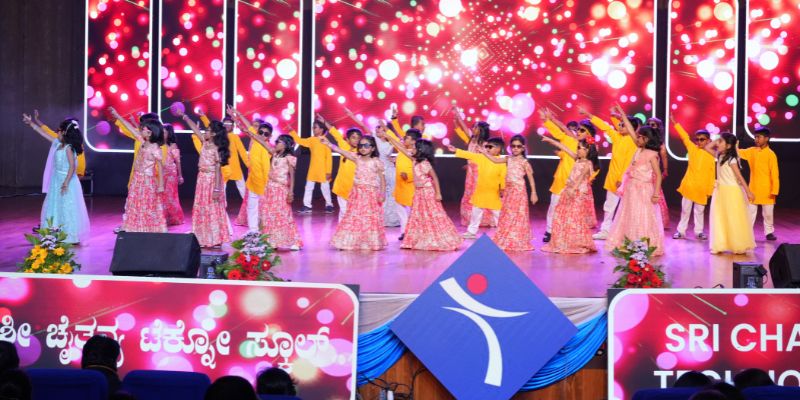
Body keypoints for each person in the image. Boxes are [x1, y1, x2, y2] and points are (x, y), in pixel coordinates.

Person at [379, 131, 462, 251]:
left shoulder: (425, 163)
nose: (412, 149)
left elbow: (435, 177)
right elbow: (401, 147)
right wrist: (389, 138)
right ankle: (420, 238)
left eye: (415, 148)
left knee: (432, 215)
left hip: (427, 192)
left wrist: (438, 193)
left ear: (421, 150)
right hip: (418, 193)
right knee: (418, 216)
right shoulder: (414, 160)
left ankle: (439, 237)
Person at [22, 116, 90, 243]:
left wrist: (66, 182)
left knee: (67, 206)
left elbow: (72, 167)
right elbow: (43, 134)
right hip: (56, 180)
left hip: (66, 181)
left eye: (58, 130)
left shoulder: (69, 148)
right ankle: (55, 232)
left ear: (64, 132)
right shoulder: (58, 144)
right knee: (55, 205)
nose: (56, 132)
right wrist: (31, 123)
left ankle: (70, 235)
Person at [605, 118, 665, 256]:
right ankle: (628, 242)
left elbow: (658, 175)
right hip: (631, 189)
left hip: (644, 190)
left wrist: (656, 194)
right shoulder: (638, 150)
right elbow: (632, 132)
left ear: (646, 139)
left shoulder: (652, 155)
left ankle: (642, 243)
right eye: (637, 137)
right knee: (629, 215)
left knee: (642, 215)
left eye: (640, 137)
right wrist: (622, 115)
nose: (636, 139)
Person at [581, 105, 638, 240]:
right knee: (609, 206)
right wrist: (589, 115)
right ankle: (605, 231)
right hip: (613, 179)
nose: (620, 126)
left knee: (627, 208)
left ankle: (628, 233)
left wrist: (622, 179)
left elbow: (629, 164)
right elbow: (605, 127)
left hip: (627, 180)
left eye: (623, 125)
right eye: (620, 124)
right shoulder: (617, 137)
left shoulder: (634, 141)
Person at [321, 134, 387, 250]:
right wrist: (329, 144)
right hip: (357, 194)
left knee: (368, 218)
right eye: (361, 145)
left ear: (373, 148)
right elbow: (342, 151)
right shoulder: (357, 158)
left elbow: (382, 180)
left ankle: (368, 242)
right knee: (354, 217)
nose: (363, 148)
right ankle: (350, 241)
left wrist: (382, 194)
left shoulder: (376, 162)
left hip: (371, 195)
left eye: (366, 145)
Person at [109, 107, 167, 233]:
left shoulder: (156, 149)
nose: (140, 130)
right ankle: (133, 227)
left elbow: (160, 167)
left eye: (143, 129)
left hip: (148, 181)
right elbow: (129, 128)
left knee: (146, 204)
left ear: (150, 133)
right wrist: (118, 115)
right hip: (137, 179)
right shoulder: (141, 141)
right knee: (134, 203)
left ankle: (146, 228)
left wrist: (161, 185)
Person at [539, 108, 593, 242]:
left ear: (589, 134)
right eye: (578, 130)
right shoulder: (569, 140)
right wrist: (547, 120)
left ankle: (567, 233)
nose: (578, 132)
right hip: (562, 179)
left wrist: (589, 178)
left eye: (582, 130)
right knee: (554, 206)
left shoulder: (591, 149)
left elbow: (593, 167)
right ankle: (550, 231)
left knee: (572, 210)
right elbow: (560, 131)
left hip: (577, 184)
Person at [476, 135, 538, 250]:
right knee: (508, 214)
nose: (515, 148)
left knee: (518, 215)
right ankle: (508, 236)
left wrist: (533, 193)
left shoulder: (524, 162)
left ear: (523, 148)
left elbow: (531, 178)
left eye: (518, 146)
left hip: (519, 191)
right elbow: (495, 160)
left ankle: (517, 238)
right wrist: (484, 152)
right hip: (509, 191)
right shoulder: (508, 159)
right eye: (513, 146)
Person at [540, 135, 599, 254]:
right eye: (578, 147)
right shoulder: (577, 159)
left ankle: (575, 242)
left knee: (575, 217)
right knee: (563, 215)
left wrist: (573, 189)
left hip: (577, 193)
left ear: (588, 150)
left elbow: (581, 177)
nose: (578, 150)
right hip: (568, 190)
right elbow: (564, 148)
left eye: (581, 148)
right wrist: (550, 140)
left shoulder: (588, 163)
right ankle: (565, 241)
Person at [246, 129, 303, 251]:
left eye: (279, 142)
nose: (276, 143)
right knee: (269, 215)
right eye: (276, 141)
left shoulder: (289, 158)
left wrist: (291, 192)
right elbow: (262, 142)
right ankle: (272, 241)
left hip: (281, 190)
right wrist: (250, 133)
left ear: (286, 145)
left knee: (283, 215)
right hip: (270, 188)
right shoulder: (274, 153)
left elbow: (292, 177)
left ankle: (295, 241)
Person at [343, 108, 401, 227]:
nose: (377, 129)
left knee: (392, 195)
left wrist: (396, 159)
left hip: (390, 171)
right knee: (379, 195)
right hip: (378, 170)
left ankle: (393, 219)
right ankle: (380, 219)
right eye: (377, 128)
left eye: (380, 127)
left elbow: (402, 147)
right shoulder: (374, 140)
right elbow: (363, 125)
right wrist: (351, 115)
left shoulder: (392, 141)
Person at [447, 137, 507, 239]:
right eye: (486, 146)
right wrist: (456, 150)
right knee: (476, 213)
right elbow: (470, 155)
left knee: (497, 213)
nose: (487, 149)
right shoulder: (482, 157)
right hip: (480, 191)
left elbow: (503, 176)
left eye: (490, 147)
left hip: (493, 193)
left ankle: (503, 233)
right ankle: (471, 232)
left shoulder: (501, 161)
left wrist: (502, 188)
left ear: (498, 148)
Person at [707, 133, 756, 254]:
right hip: (721, 192)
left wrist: (748, 192)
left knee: (733, 218)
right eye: (718, 141)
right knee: (720, 218)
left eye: (721, 142)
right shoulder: (720, 156)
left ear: (728, 145)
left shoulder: (731, 159)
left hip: (732, 192)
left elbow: (740, 177)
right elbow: (707, 147)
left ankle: (738, 244)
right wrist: (718, 140)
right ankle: (720, 245)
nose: (717, 143)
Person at [671, 116, 715, 240]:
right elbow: (684, 137)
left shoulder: (712, 155)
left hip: (702, 189)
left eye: (702, 139)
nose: (699, 142)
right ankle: (681, 231)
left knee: (699, 212)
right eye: (697, 139)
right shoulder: (692, 149)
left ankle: (699, 232)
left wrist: (710, 190)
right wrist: (675, 123)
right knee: (685, 211)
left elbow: (712, 174)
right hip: (689, 186)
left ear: (709, 141)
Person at [452, 109, 495, 227]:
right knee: (469, 195)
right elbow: (464, 127)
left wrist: (474, 165)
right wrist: (458, 115)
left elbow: (486, 159)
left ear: (481, 131)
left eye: (475, 127)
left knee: (479, 195)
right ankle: (470, 219)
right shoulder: (472, 139)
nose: (473, 129)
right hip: (471, 174)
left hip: (480, 173)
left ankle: (484, 219)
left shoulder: (485, 144)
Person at [738, 127, 780, 241]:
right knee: (750, 212)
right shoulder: (752, 151)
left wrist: (774, 190)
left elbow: (774, 174)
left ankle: (769, 232)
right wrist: (735, 144)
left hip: (767, 190)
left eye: (758, 137)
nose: (756, 139)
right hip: (753, 189)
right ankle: (747, 232)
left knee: (768, 214)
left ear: (766, 138)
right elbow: (739, 152)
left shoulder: (771, 154)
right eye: (755, 137)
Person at [319, 115, 361, 221]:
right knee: (344, 212)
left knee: (355, 213)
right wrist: (324, 122)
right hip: (342, 186)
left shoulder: (362, 151)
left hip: (356, 188)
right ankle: (342, 230)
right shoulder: (344, 146)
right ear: (347, 139)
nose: (356, 140)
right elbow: (335, 132)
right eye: (353, 137)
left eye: (358, 138)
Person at [384, 120, 421, 240]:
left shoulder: (416, 153)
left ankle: (413, 232)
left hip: (410, 187)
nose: (404, 139)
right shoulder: (402, 149)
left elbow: (418, 169)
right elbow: (394, 140)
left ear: (414, 141)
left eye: (407, 138)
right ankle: (405, 232)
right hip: (400, 186)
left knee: (411, 211)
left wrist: (408, 176)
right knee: (400, 210)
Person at [291, 120, 334, 214]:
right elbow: (300, 141)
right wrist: (292, 132)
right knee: (308, 187)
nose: (313, 129)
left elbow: (329, 157)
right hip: (313, 169)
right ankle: (307, 205)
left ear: (321, 129)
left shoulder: (325, 141)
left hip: (323, 169)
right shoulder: (311, 140)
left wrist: (328, 171)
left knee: (325, 188)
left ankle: (329, 205)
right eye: (313, 127)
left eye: (315, 127)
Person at [162, 123, 185, 226]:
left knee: (170, 195)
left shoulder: (173, 145)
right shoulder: (158, 144)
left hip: (171, 173)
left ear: (169, 133)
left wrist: (180, 176)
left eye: (164, 132)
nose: (162, 134)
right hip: (161, 173)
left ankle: (173, 217)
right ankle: (162, 217)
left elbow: (178, 161)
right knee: (162, 195)